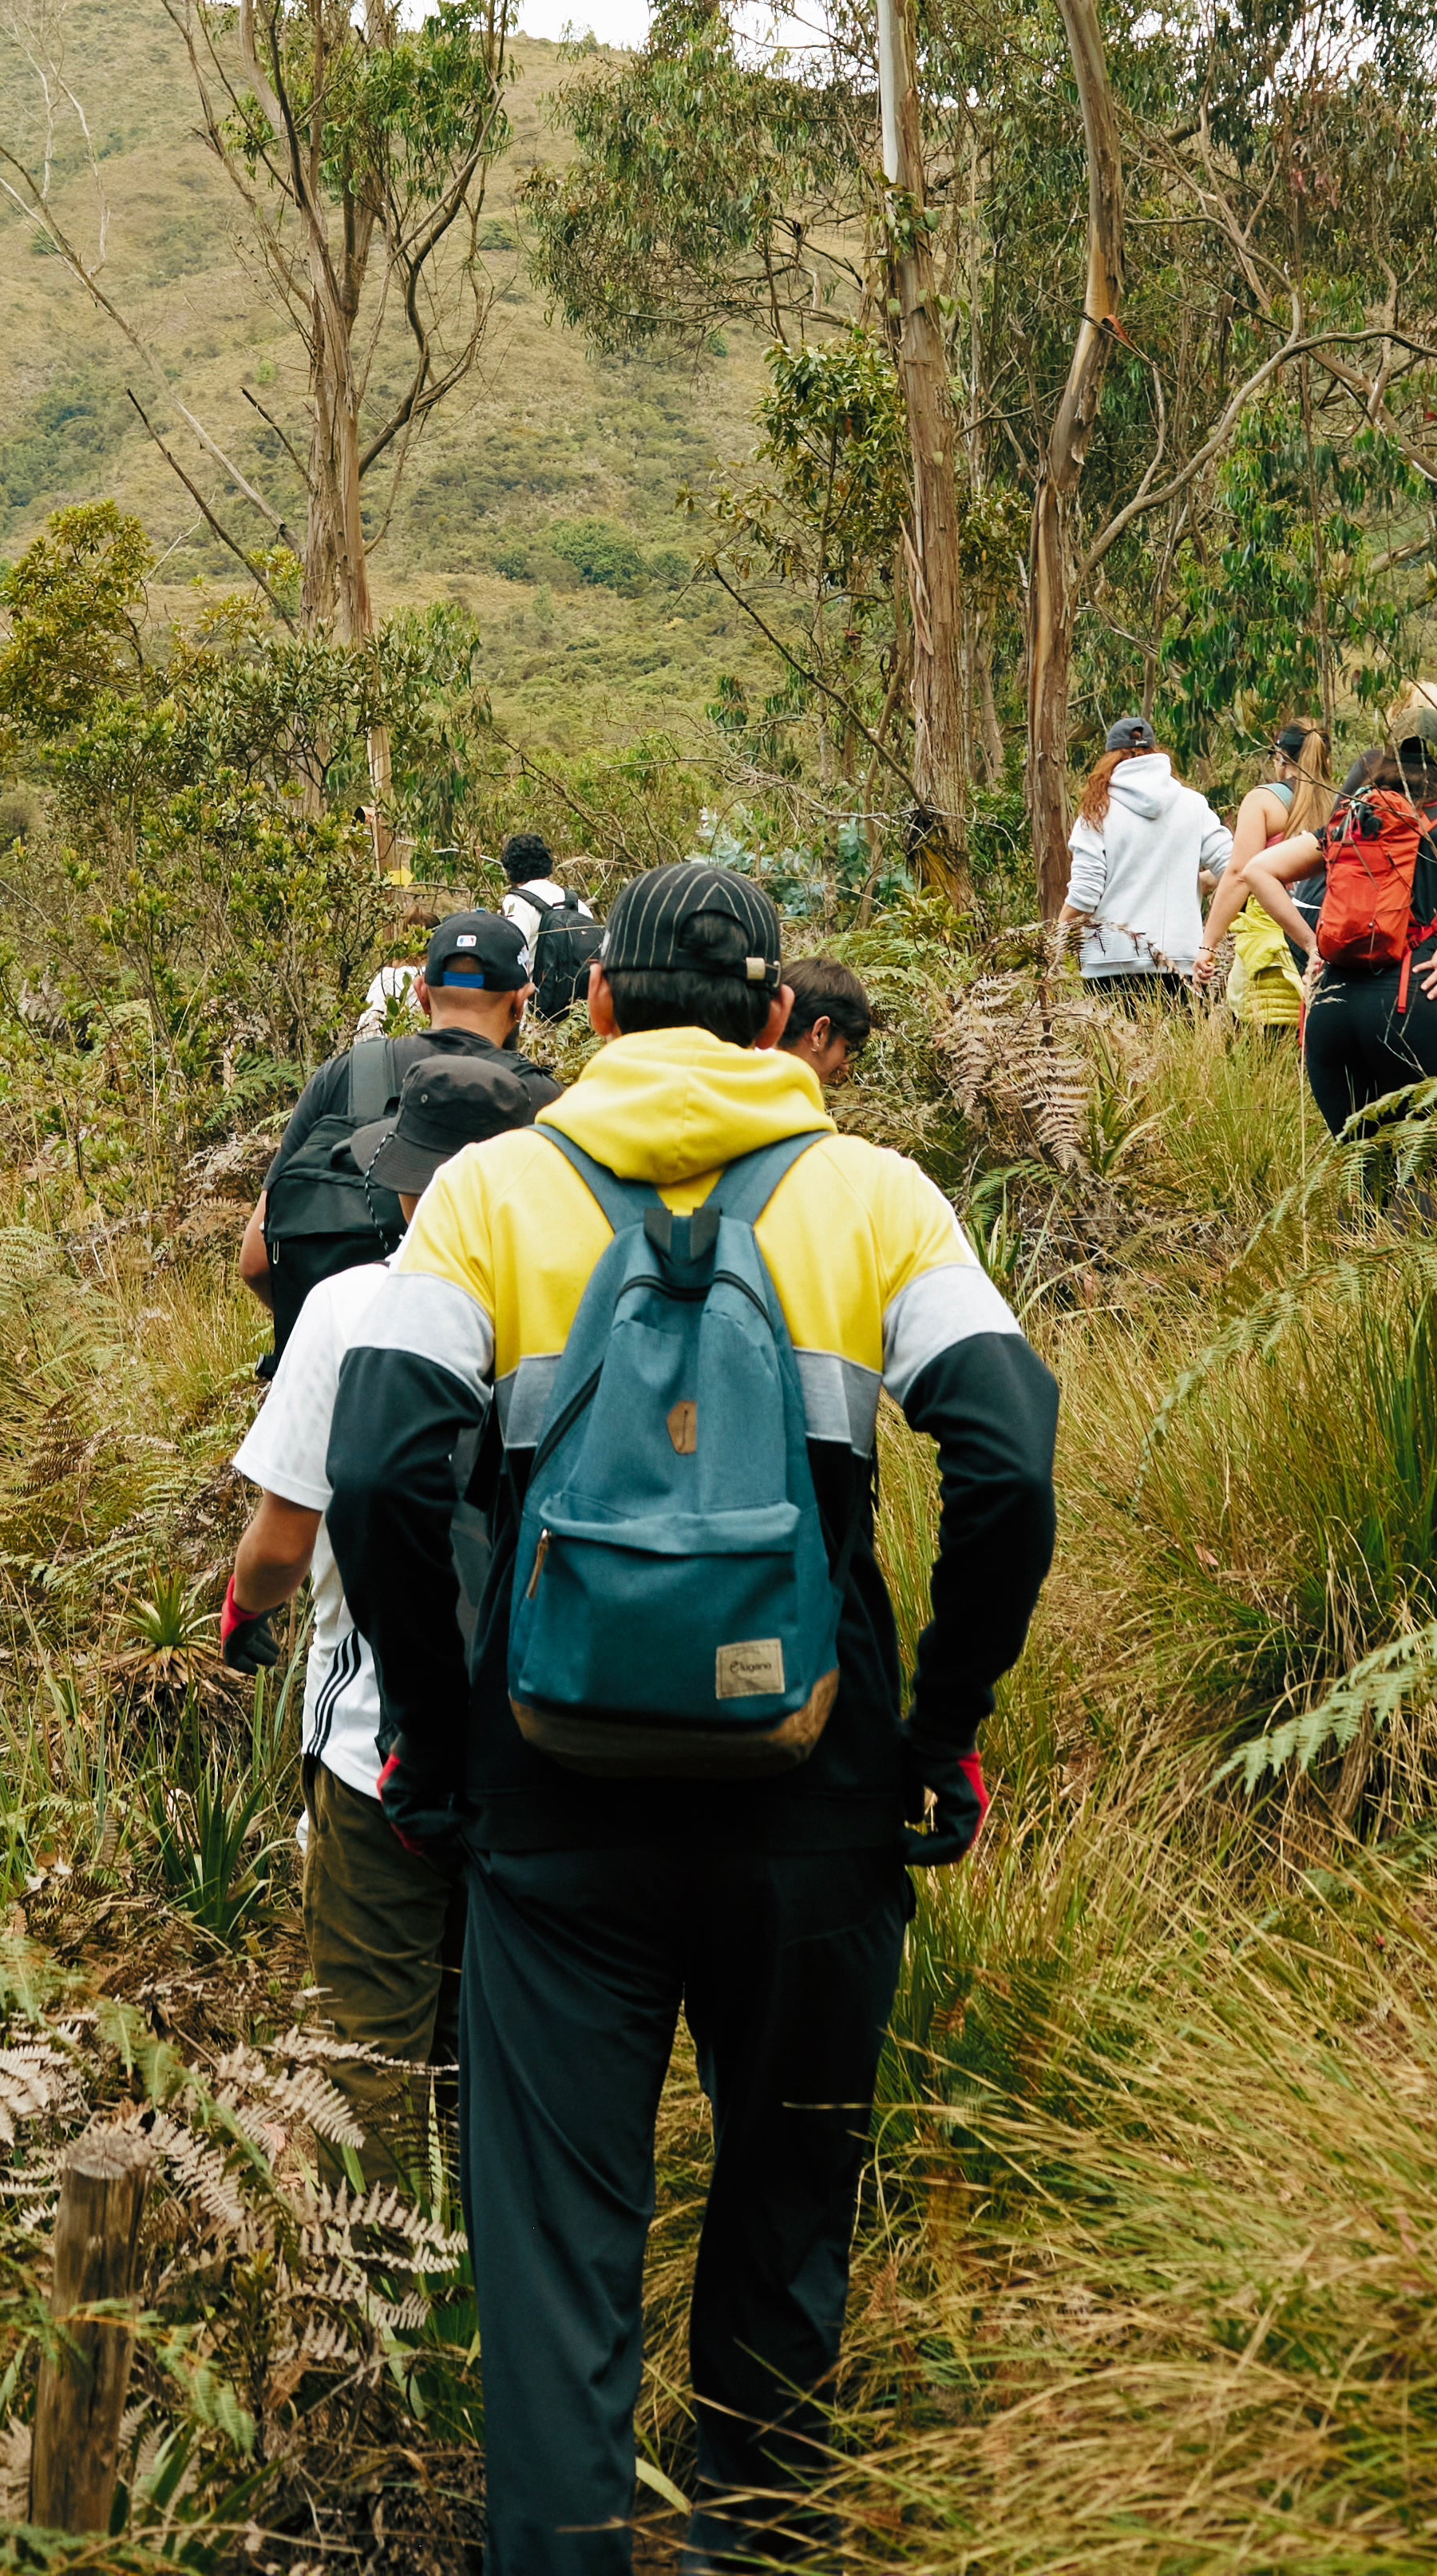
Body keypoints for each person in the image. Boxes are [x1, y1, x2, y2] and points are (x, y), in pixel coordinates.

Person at [328, 858, 1059, 2574]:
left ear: (596, 1006)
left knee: (558, 2252)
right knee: (787, 2225)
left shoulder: (497, 1193)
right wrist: (938, 1730)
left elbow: (376, 1474)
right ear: (777, 1019)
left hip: (551, 1803)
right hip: (818, 1799)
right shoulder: (875, 1194)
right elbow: (1010, 1460)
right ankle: (757, 2539)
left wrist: (442, 1742)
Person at [219, 1048, 549, 2170]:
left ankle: (382, 2313)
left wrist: (237, 1605)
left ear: (405, 1183)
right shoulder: (586, 1298)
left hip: (383, 1747)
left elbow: (283, 1541)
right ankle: (485, 2296)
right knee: (499, 2040)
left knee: (372, 2053)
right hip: (557, 1728)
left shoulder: (356, 1306)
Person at [242, 913, 556, 1361]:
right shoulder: (545, 1102)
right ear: (520, 1003)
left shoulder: (348, 1074)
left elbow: (255, 1260)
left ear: (422, 994)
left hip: (329, 1380)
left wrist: (327, 1331)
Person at [1246, 717, 1437, 1167]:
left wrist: (1313, 945)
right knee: (1420, 1177)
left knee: (1364, 1172)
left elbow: (1258, 870)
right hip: (1410, 1004)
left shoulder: (1351, 824)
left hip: (1330, 1011)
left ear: (1386, 762)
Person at [1061, 710, 1227, 996]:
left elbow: (1086, 893)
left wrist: (1056, 933)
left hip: (1111, 965)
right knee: (1179, 1041)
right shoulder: (1193, 804)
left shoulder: (1098, 811)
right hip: (1179, 964)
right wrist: (1202, 881)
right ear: (1153, 752)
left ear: (1109, 758)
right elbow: (1235, 867)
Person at [1194, 724, 1329, 1032]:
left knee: (1260, 1061)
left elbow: (1241, 874)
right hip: (1326, 951)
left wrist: (1209, 945)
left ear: (1281, 757)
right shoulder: (1340, 803)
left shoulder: (1264, 801)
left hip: (1269, 957)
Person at [499, 831, 604, 1026]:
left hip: (536, 1013)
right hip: (580, 1013)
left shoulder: (516, 902)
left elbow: (509, 954)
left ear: (510, 869)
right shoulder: (575, 902)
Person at [778, 953, 883, 1095]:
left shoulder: (741, 1077)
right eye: (847, 1050)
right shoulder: (799, 1113)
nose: (845, 1067)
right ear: (819, 1033)